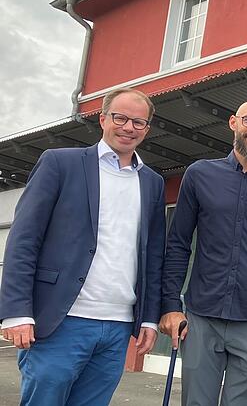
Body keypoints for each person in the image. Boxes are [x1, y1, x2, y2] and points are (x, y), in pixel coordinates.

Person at [0, 88, 166, 405]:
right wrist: (17, 311)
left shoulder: (152, 183)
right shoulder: (61, 164)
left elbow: (152, 255)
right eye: (120, 118)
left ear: (146, 129)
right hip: (61, 321)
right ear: (102, 118)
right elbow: (24, 239)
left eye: (138, 122)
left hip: (117, 327)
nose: (129, 127)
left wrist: (147, 318)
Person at [160, 99, 247, 406]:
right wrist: (171, 305)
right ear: (233, 122)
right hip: (201, 317)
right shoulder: (199, 175)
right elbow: (178, 244)